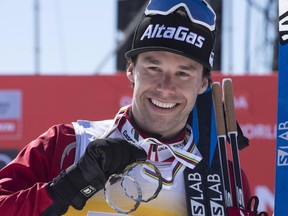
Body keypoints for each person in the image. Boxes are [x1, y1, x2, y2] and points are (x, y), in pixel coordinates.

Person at [0, 0, 252, 215]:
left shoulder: (223, 180)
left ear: (203, 83)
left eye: (183, 74)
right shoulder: (66, 144)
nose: (165, 87)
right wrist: (71, 183)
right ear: (131, 69)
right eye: (154, 68)